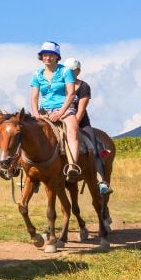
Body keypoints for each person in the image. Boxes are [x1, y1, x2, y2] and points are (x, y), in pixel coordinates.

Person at [29, 41, 81, 181]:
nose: (47, 57)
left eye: (51, 55)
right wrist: (36, 114)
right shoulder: (37, 74)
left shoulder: (65, 71)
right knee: (25, 132)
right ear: (41, 57)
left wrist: (60, 113)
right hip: (43, 111)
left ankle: (72, 167)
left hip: (64, 109)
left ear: (57, 57)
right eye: (45, 55)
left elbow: (71, 94)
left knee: (72, 130)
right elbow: (34, 97)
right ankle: (16, 167)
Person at [68, 58, 112, 195]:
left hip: (81, 122)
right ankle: (34, 179)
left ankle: (102, 182)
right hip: (62, 121)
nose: (70, 73)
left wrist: (74, 125)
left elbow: (81, 110)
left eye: (73, 71)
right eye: (68, 71)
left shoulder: (84, 87)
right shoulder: (60, 86)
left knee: (95, 148)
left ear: (78, 71)